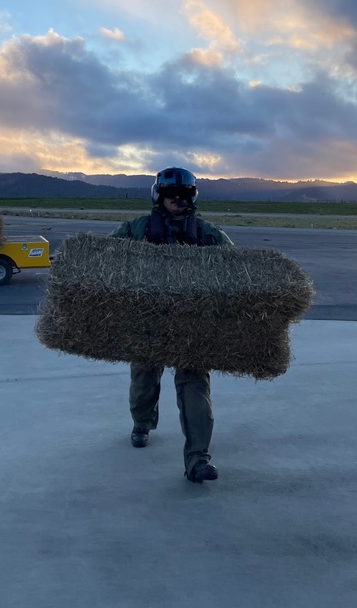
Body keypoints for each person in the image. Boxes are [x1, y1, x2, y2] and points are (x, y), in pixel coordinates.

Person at [110, 167, 234, 483]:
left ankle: (198, 459)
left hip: (192, 321)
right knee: (144, 377)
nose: (177, 201)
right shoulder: (136, 229)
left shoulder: (207, 233)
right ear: (159, 197)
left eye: (183, 196)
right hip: (148, 319)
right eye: (170, 196)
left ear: (192, 198)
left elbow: (238, 269)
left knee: (194, 384)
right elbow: (103, 261)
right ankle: (142, 423)